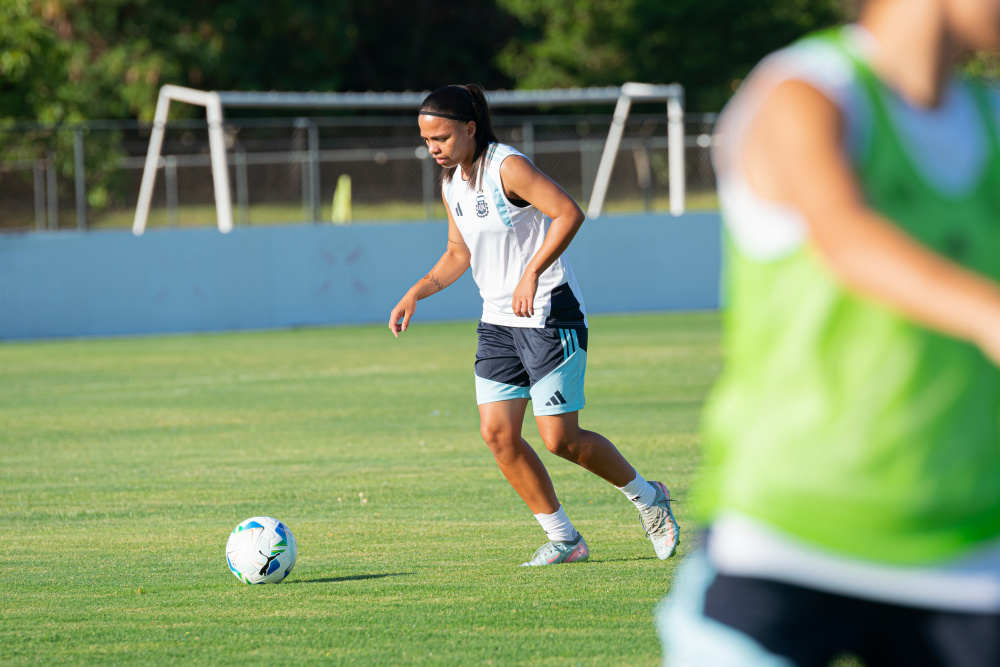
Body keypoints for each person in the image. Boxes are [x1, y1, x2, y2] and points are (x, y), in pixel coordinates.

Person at [657, 0, 1000, 665]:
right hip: (788, 542)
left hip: (965, 556)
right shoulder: (807, 93)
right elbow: (845, 233)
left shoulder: (988, 118)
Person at [389, 84, 679, 567]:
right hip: (498, 323)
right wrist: (416, 291)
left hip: (549, 315)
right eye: (426, 140)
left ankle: (650, 499)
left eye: (440, 137)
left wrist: (532, 271)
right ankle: (565, 540)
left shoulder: (508, 166)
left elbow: (568, 213)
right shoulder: (452, 184)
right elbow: (459, 253)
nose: (433, 148)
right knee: (498, 435)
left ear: (469, 128)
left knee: (560, 439)